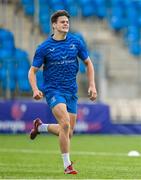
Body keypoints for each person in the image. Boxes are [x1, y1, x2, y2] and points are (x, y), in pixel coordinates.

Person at [28, 10, 97, 175]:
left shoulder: (76, 42)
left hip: (71, 92)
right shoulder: (44, 48)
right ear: (54, 25)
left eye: (67, 21)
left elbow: (88, 63)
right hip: (53, 91)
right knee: (65, 124)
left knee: (68, 132)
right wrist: (36, 89)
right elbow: (32, 71)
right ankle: (67, 166)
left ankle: (41, 127)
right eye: (62, 22)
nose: (66, 24)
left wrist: (92, 85)